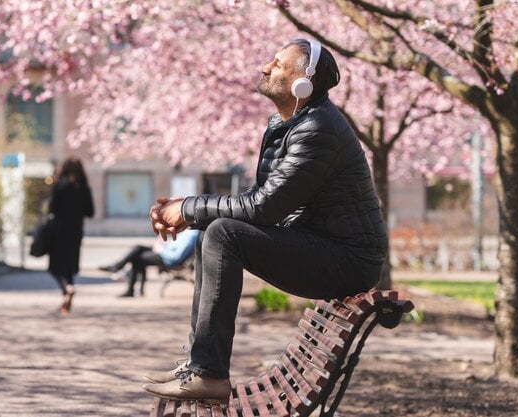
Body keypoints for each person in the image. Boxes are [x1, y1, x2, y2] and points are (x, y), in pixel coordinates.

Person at [141, 38, 388, 403]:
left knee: (224, 233)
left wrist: (189, 209)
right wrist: (187, 212)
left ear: (303, 82)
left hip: (349, 260)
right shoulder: (293, 124)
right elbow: (259, 205)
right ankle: (199, 366)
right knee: (220, 229)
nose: (264, 67)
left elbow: (261, 209)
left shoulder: (317, 129)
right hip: (329, 248)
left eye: (277, 64)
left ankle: (209, 374)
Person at [48, 157, 94, 314]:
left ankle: (67, 288)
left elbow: (51, 208)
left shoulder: (59, 186)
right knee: (69, 266)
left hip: (58, 231)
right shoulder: (83, 188)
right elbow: (90, 212)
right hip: (75, 232)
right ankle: (68, 293)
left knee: (55, 266)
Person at [99, 229, 199, 297]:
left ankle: (121, 272)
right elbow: (173, 248)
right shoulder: (188, 231)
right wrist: (162, 246)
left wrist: (160, 250)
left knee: (138, 257)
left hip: (166, 258)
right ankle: (118, 268)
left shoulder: (192, 234)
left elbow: (175, 257)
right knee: (137, 248)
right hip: (164, 252)